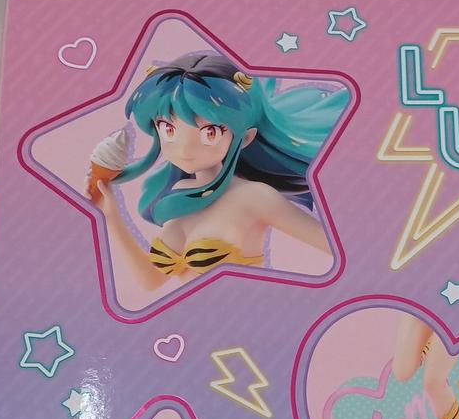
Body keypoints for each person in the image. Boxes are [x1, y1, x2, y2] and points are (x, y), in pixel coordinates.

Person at [87, 51, 348, 289]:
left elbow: (341, 252)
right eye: (169, 129)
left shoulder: (255, 196)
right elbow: (151, 281)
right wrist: (110, 215)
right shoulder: (181, 190)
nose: (185, 148)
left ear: (245, 137)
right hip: (185, 323)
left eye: (209, 132)